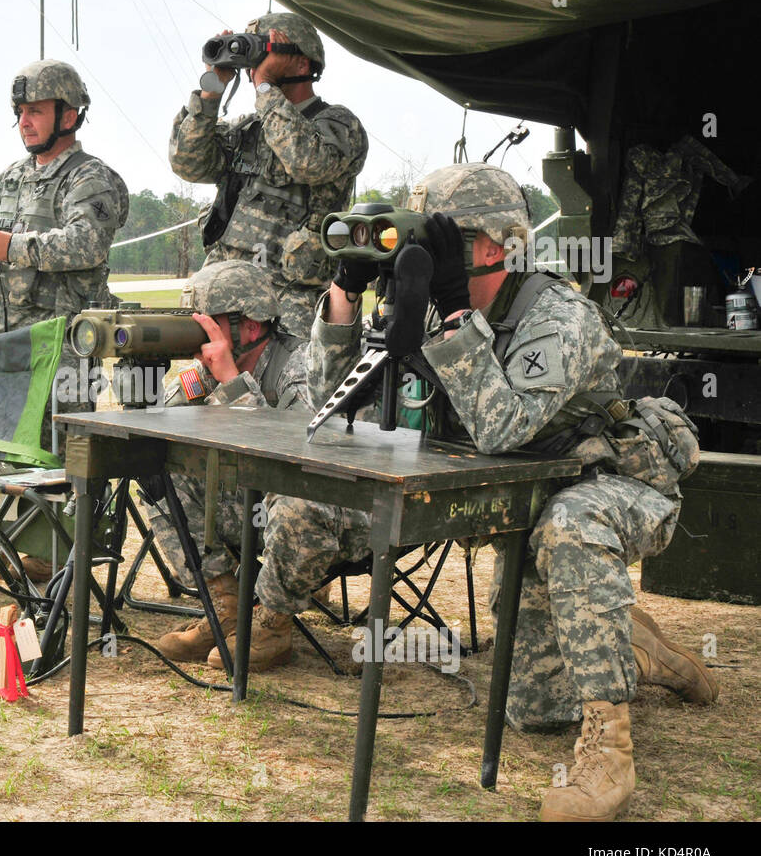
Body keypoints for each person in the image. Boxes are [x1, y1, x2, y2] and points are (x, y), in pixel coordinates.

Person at [244, 162, 718, 822]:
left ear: (495, 245)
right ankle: (632, 646)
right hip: (503, 494)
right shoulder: (429, 302)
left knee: (571, 528)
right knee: (534, 710)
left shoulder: (555, 314)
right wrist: (346, 296)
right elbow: (326, 407)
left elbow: (502, 427)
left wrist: (453, 315)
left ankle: (609, 746)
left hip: (601, 484)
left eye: (444, 238)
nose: (426, 252)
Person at [142, 260, 310, 662]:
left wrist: (233, 383)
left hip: (298, 509)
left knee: (293, 503)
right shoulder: (207, 371)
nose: (198, 334)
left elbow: (302, 454)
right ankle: (225, 605)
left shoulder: (299, 364)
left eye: (209, 323)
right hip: (244, 503)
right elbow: (155, 423)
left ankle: (274, 623)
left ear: (250, 326)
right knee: (158, 477)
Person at [0, 58, 129, 414]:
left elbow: (87, 244)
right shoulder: (13, 176)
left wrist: (10, 247)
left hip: (59, 354)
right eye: (19, 112)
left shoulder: (88, 178)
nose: (24, 122)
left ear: (68, 117)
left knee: (54, 461)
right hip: (3, 344)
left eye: (35, 111)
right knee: (2, 453)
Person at [170, 12, 368, 341]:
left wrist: (265, 86)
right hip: (225, 290)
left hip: (290, 299)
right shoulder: (248, 128)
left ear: (303, 64)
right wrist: (211, 89)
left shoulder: (339, 126)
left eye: (268, 50)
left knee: (286, 388)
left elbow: (308, 162)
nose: (256, 63)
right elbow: (187, 163)